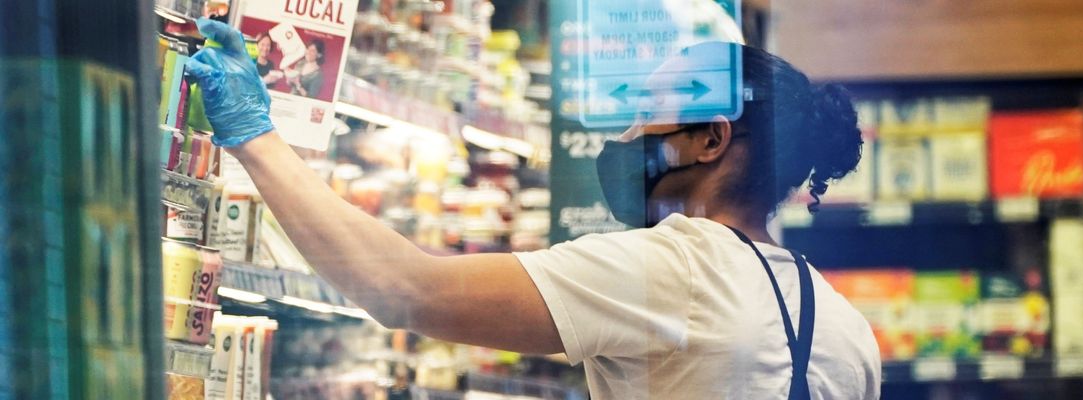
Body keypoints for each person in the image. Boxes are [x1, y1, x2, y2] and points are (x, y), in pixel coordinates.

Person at [185, 18, 880, 400]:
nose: (629, 131)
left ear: (709, 140)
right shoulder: (844, 327)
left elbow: (407, 291)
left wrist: (257, 139)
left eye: (649, 110)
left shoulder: (676, 270)